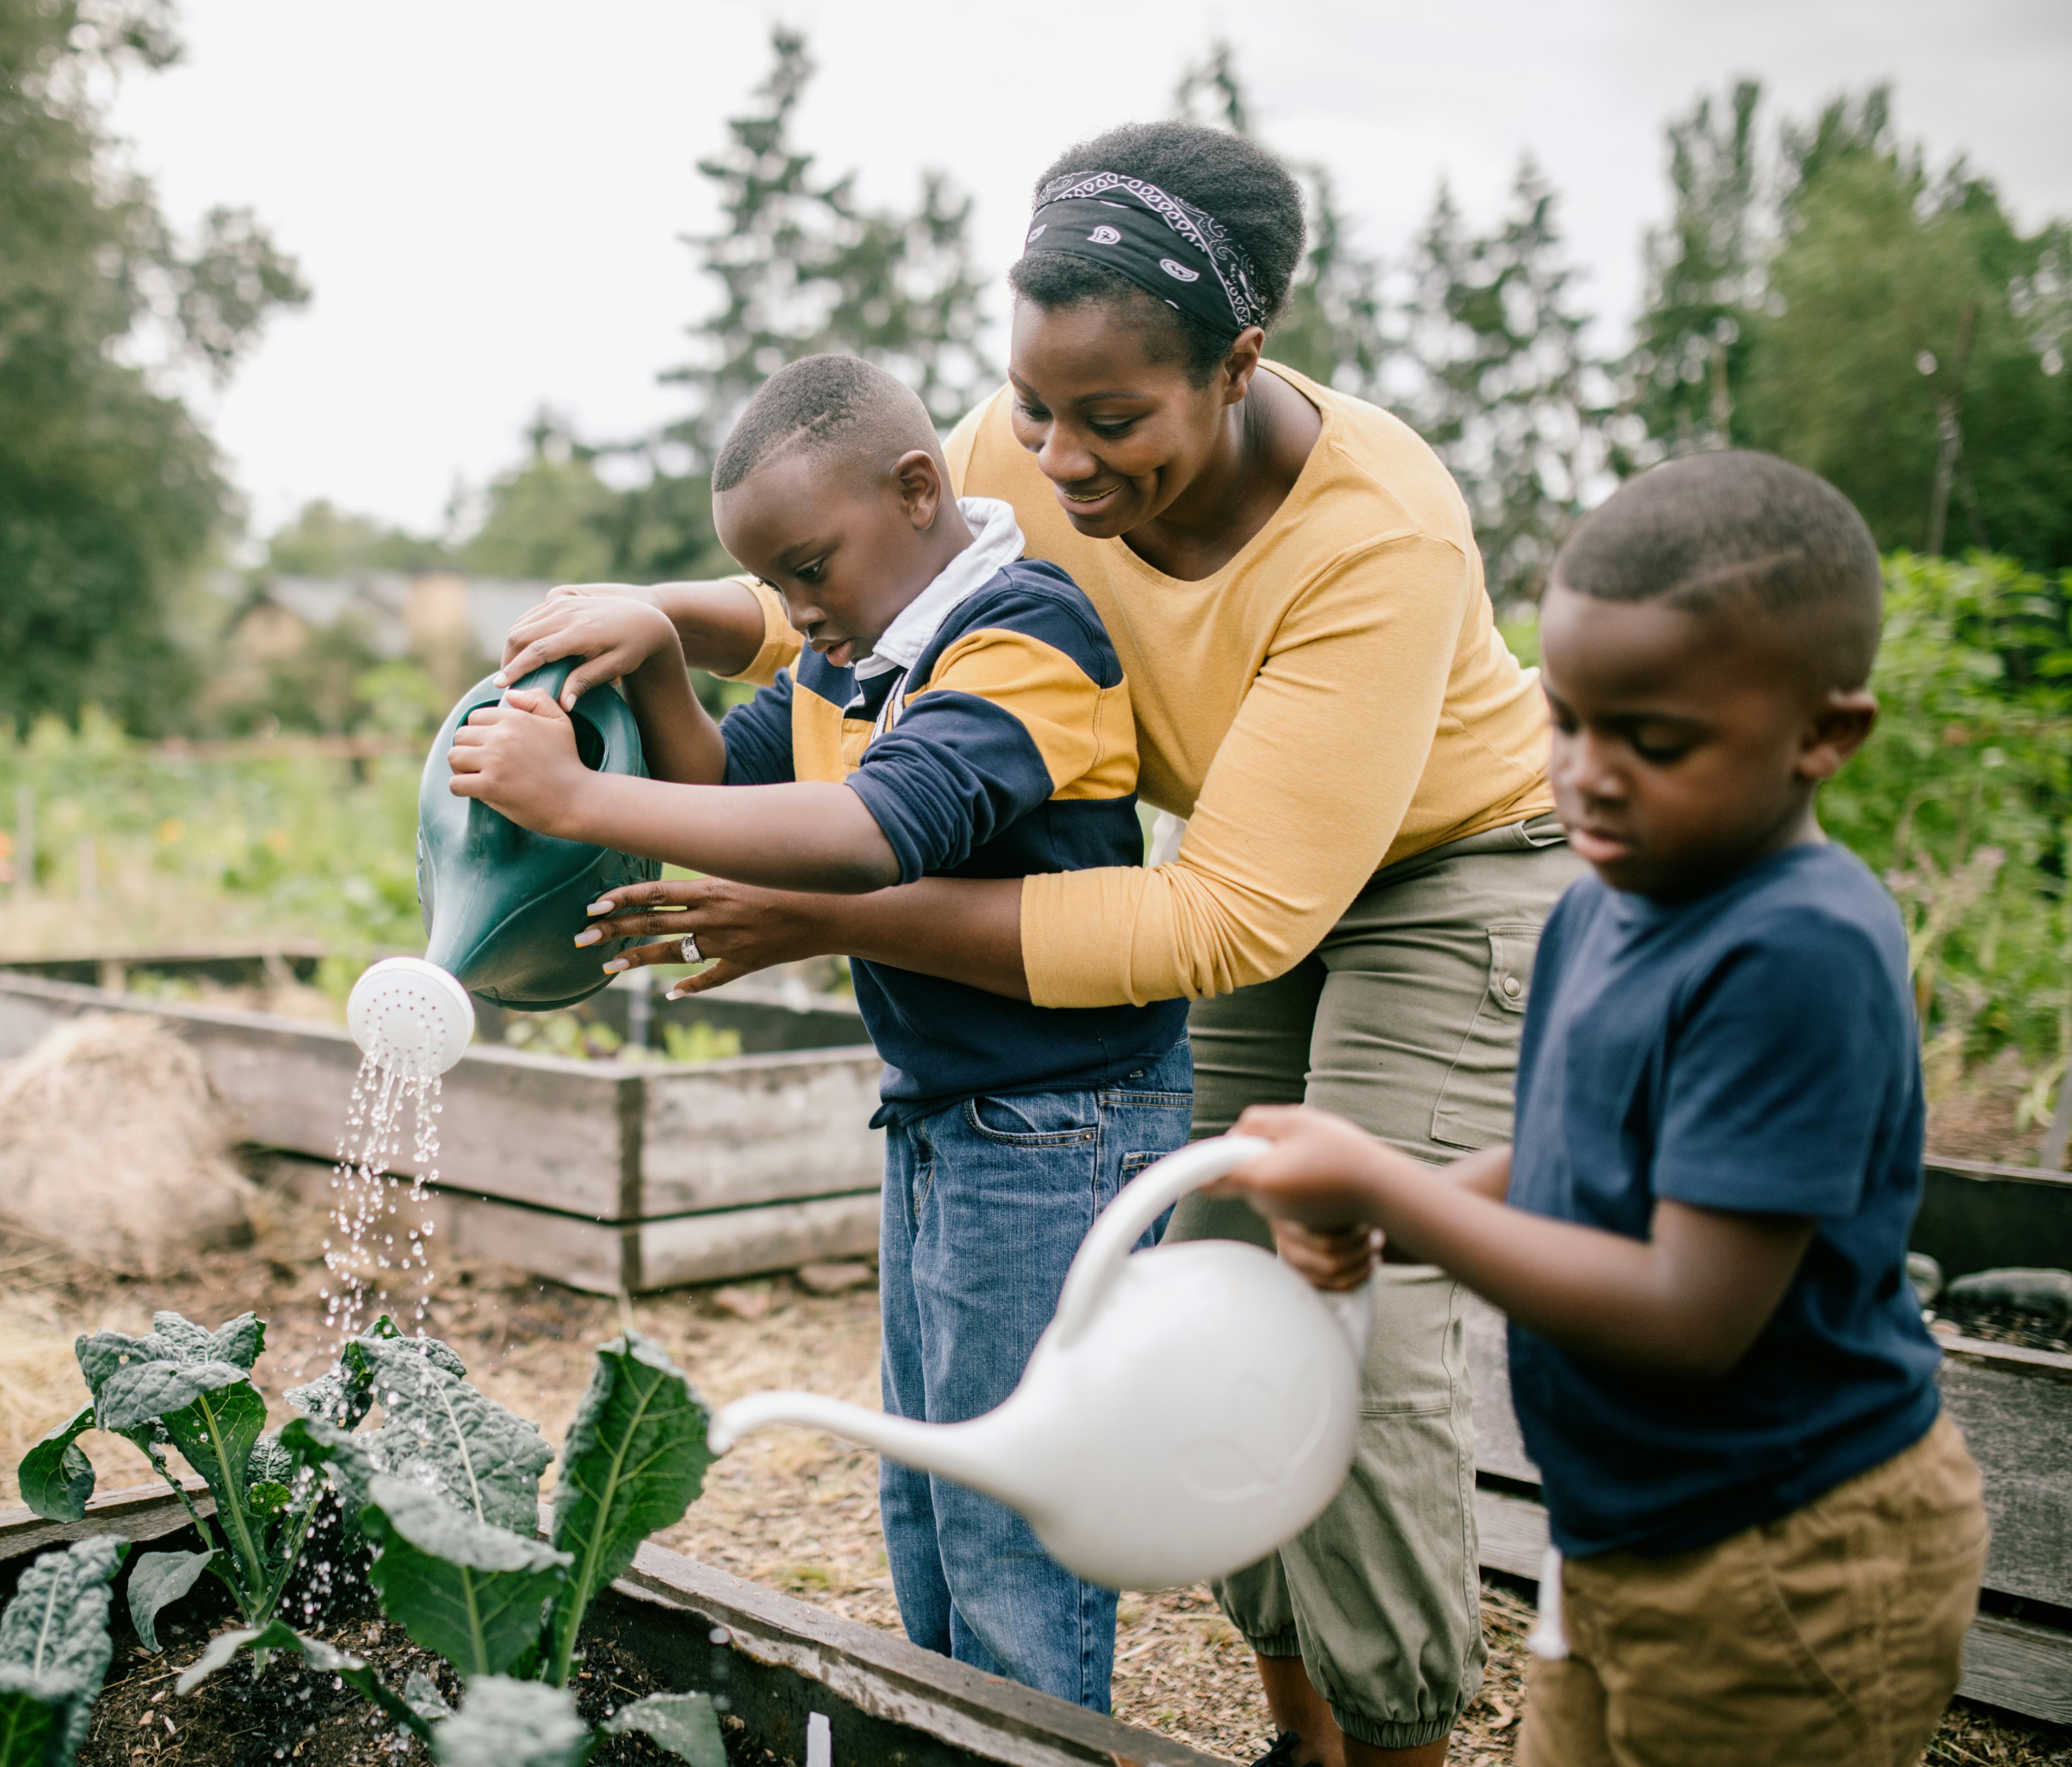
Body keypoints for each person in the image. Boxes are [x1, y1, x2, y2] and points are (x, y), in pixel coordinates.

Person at [500, 121, 1574, 1764]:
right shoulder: (1019, 452)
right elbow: (846, 591)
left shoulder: (1379, 536)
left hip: (1438, 874)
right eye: (1030, 406)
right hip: (1238, 859)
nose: (1059, 461)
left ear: (1239, 365)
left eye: (1113, 420)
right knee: (1205, 1302)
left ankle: (1398, 1744)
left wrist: (821, 910)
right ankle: (1297, 1730)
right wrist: (659, 613)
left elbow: (1220, 920)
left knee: (1352, 1319)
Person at [1212, 451, 1989, 1767]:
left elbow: (1692, 1313)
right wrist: (1416, 1217)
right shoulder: (1598, 908)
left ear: (1825, 737)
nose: (1591, 774)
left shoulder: (1800, 950)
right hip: (1627, 1528)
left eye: (1657, 741)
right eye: (1567, 722)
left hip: (1788, 1550)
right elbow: (1575, 1149)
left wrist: (1393, 1187)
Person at [448, 352, 1195, 1711]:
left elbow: (862, 838)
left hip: (1064, 1122)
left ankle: (1030, 1738)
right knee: (924, 1483)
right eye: (777, 587)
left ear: (920, 492)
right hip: (955, 1112)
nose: (795, 616)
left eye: (809, 572)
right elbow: (727, 784)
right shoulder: (858, 656)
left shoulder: (1024, 639)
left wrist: (579, 805)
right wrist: (665, 664)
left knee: (1009, 1508)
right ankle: (951, 1733)